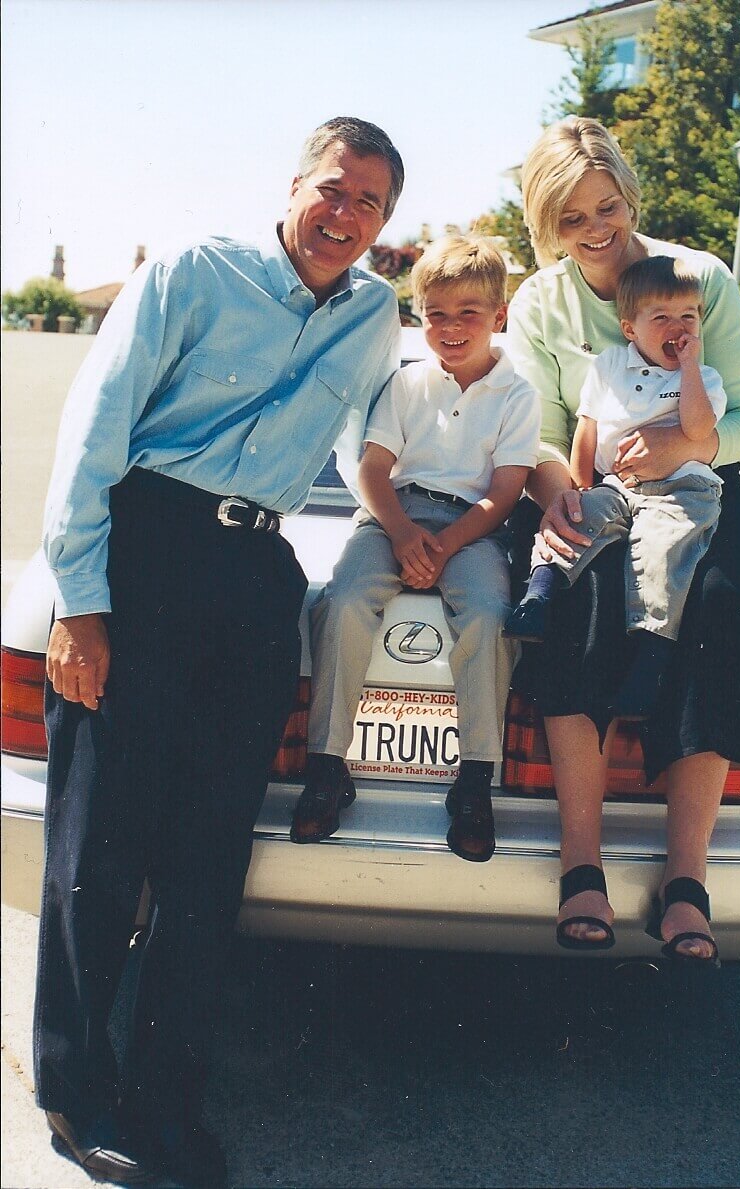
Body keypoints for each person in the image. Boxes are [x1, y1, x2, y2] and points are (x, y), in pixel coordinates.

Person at [34, 116, 404, 1187]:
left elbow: (380, 441)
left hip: (256, 579)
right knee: (100, 846)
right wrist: (81, 601)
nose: (346, 214)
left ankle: (162, 1098)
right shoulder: (193, 275)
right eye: (334, 189)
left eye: (371, 203)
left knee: (206, 859)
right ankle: (73, 1087)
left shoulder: (377, 317)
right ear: (295, 185)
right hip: (145, 553)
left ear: (386, 224)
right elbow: (93, 437)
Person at [505, 116, 740, 961]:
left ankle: (685, 879)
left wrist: (682, 445)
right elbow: (538, 431)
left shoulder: (696, 277)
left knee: (723, 609)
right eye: (573, 218)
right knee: (576, 601)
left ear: (629, 195)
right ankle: (582, 864)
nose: (598, 231)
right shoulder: (539, 303)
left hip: (703, 489)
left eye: (609, 206)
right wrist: (559, 492)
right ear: (546, 223)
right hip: (588, 491)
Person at [289, 235, 540, 862]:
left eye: (469, 313)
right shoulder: (405, 385)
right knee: (343, 600)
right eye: (435, 314)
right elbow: (374, 469)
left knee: (487, 616)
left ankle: (475, 780)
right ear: (417, 316)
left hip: (472, 527)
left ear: (499, 317)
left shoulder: (518, 395)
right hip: (392, 517)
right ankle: (327, 767)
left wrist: (444, 545)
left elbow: (507, 489)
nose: (450, 328)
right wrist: (403, 535)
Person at [506, 255, 726, 721]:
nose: (677, 327)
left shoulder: (703, 379)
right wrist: (579, 487)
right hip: (617, 485)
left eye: (688, 316)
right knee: (578, 520)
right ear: (630, 328)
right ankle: (539, 595)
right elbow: (587, 427)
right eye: (661, 317)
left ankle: (651, 658)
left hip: (681, 490)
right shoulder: (609, 366)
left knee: (662, 554)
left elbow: (699, 426)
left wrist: (688, 368)